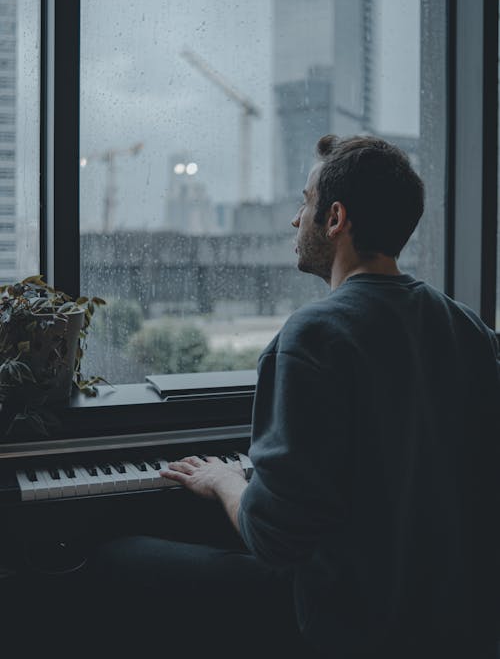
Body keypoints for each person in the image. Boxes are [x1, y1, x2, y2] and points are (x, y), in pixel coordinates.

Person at [85, 135, 500, 659]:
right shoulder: (470, 329)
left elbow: (275, 538)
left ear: (335, 218)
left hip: (347, 623)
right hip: (456, 620)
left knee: (115, 560)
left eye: (304, 202)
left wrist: (224, 481)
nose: (294, 219)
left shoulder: (314, 335)